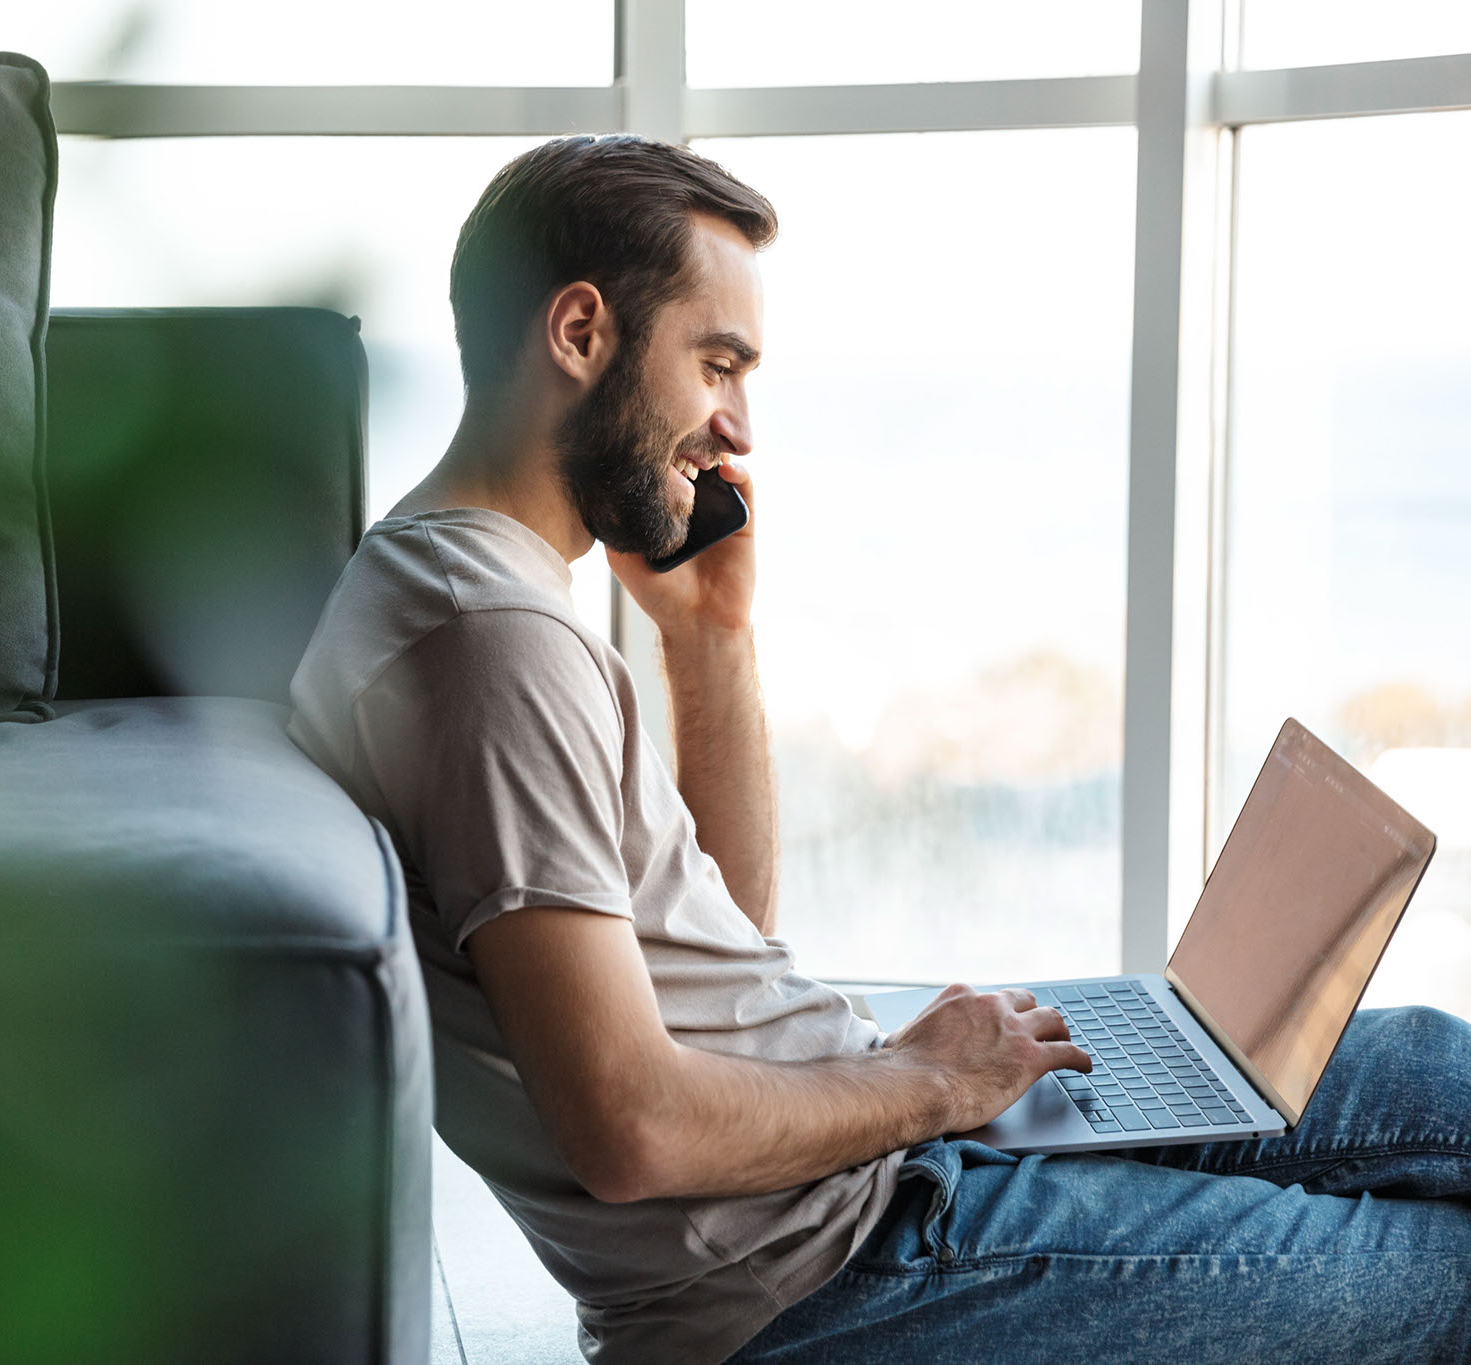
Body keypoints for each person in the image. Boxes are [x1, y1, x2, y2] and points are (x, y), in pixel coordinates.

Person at [286, 135, 1471, 1364]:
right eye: (717, 363)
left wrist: (710, 640)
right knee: (1440, 1276)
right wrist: (934, 1086)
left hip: (863, 1149)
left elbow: (716, 945)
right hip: (835, 1266)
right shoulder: (492, 645)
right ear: (580, 332)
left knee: (1427, 1075)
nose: (733, 424)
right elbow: (627, 1126)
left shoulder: (448, 584)